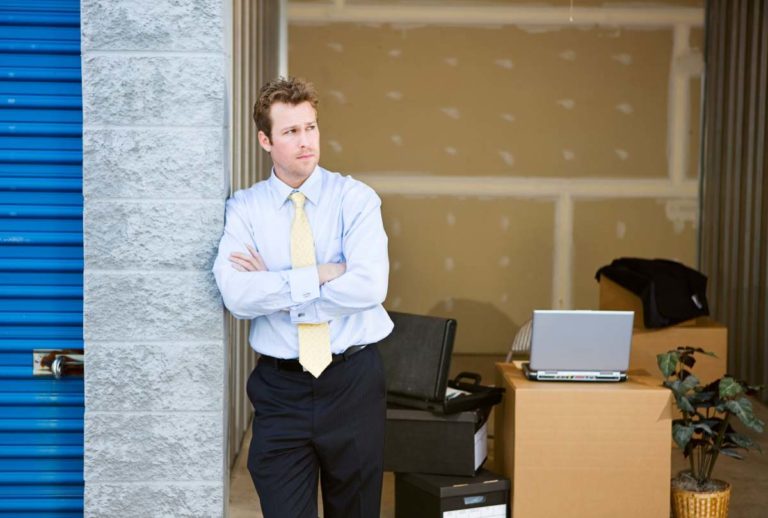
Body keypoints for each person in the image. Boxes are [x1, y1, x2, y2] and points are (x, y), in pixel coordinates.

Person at [212, 76, 393, 518]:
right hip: (281, 389)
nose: (305, 140)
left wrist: (276, 285)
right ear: (265, 140)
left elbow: (370, 286)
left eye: (310, 127)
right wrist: (324, 275)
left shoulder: (356, 199)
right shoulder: (245, 209)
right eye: (291, 131)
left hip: (352, 381)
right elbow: (237, 295)